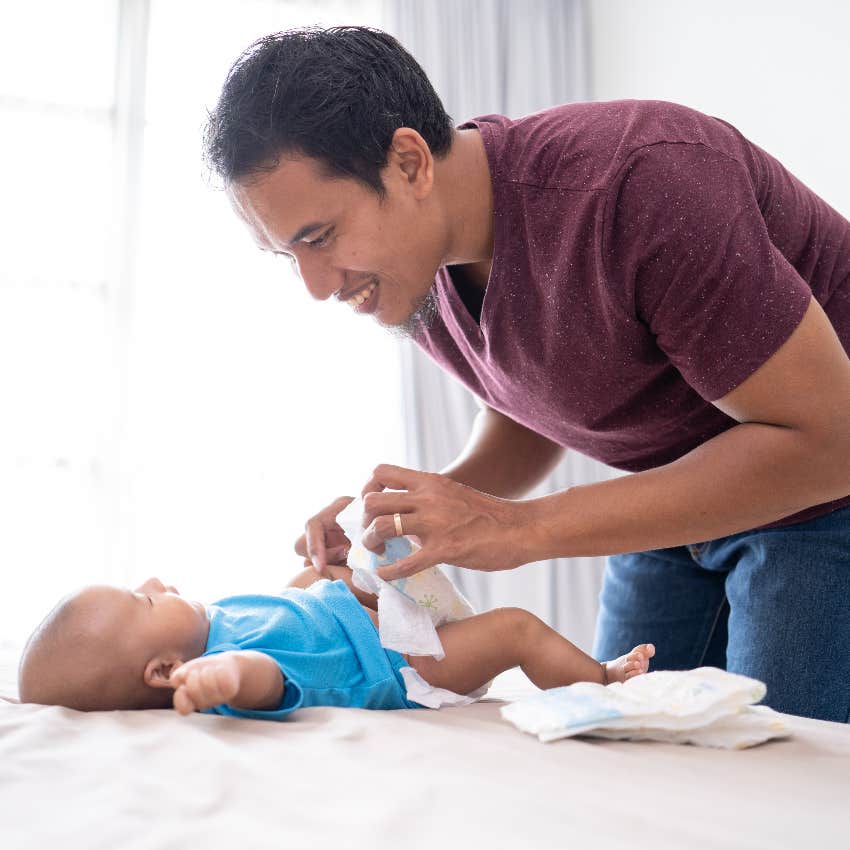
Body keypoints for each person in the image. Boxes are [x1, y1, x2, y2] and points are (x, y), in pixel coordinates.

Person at [204, 27, 850, 722]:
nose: (316, 287)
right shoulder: (416, 268)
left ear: (410, 163)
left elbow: (832, 443)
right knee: (624, 747)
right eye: (286, 255)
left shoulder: (642, 186)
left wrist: (521, 527)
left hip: (821, 492)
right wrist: (418, 518)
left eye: (319, 238)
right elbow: (541, 396)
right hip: (678, 493)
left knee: (782, 795)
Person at [16, 569, 655, 716]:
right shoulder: (222, 664)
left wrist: (321, 575)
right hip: (407, 668)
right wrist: (229, 679)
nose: (156, 582)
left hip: (389, 625)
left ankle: (598, 676)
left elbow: (292, 606)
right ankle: (601, 681)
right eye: (145, 601)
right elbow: (269, 675)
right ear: (164, 671)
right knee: (516, 629)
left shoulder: (219, 617)